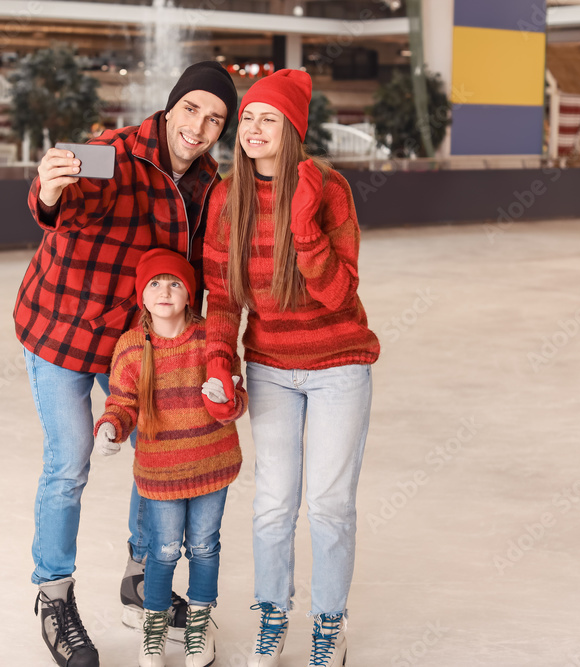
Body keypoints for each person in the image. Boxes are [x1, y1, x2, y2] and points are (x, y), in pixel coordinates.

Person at [14, 61, 238, 667]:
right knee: (70, 463)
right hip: (61, 329)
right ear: (170, 109)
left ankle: (142, 573)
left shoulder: (210, 186)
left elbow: (205, 275)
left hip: (134, 346)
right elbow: (56, 202)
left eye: (215, 118)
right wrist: (51, 187)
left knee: (156, 453)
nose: (199, 126)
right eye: (191, 109)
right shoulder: (114, 153)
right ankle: (54, 596)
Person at [202, 70, 380, 667]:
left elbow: (339, 292)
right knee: (274, 503)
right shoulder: (229, 197)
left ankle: (330, 623)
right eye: (247, 118)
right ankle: (272, 616)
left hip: (338, 364)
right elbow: (223, 297)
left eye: (267, 119)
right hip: (271, 366)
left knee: (330, 504)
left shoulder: (329, 187)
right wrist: (218, 361)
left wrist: (303, 227)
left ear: (292, 130)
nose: (252, 129)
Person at [94, 248, 246, 667]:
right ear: (141, 295)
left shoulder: (209, 340)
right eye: (155, 283)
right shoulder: (129, 348)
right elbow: (122, 404)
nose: (165, 291)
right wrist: (110, 427)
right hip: (159, 476)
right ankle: (154, 628)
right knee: (161, 551)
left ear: (190, 294)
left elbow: (237, 397)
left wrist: (226, 398)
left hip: (212, 466)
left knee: (203, 546)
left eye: (175, 283)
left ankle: (198, 625)